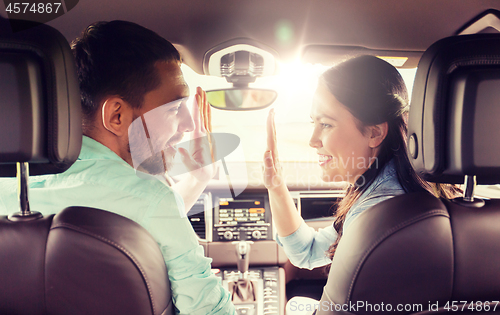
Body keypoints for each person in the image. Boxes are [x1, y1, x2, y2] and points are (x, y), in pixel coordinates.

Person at [0, 21, 234, 315]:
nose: (187, 127)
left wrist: (196, 181)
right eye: (174, 109)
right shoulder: (152, 199)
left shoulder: (7, 195)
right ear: (117, 116)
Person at [264, 55, 457, 271]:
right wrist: (276, 186)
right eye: (313, 123)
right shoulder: (389, 192)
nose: (312, 140)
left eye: (326, 124)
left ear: (375, 133)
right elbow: (309, 251)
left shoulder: (373, 217)